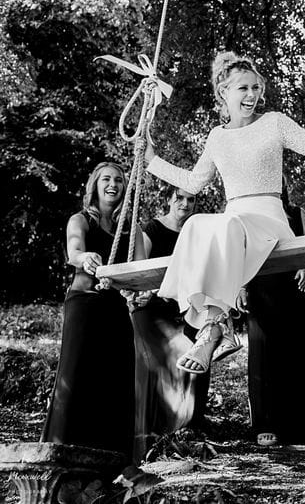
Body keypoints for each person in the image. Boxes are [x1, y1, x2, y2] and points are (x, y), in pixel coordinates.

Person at [144, 50, 305, 374]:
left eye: (256, 88)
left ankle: (213, 331)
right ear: (223, 92)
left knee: (230, 226)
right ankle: (216, 326)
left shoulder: (274, 123)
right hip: (236, 220)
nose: (253, 95)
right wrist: (151, 161)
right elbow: (193, 183)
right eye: (243, 88)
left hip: (270, 220)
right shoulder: (217, 137)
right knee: (196, 222)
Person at [42, 162, 143, 460]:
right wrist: (86, 257)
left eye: (119, 181)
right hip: (85, 304)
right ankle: (63, 450)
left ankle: (111, 456)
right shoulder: (81, 220)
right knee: (77, 373)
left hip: (116, 308)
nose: (113, 185)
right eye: (106, 180)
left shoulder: (131, 228)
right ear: (95, 186)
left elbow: (139, 270)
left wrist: (142, 292)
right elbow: (75, 251)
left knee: (115, 375)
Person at [128, 186, 210, 461]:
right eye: (179, 198)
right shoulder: (151, 229)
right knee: (169, 352)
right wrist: (144, 292)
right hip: (152, 309)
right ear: (168, 199)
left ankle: (186, 429)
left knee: (198, 348)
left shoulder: (197, 234)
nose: (185, 204)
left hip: (184, 310)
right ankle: (154, 432)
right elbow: (140, 270)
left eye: (191, 199)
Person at [246, 178, 305, 446]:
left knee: (299, 352)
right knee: (264, 354)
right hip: (262, 288)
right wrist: (241, 285)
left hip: (296, 287)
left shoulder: (297, 213)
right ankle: (266, 423)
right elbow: (241, 251)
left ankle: (304, 426)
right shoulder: (250, 213)